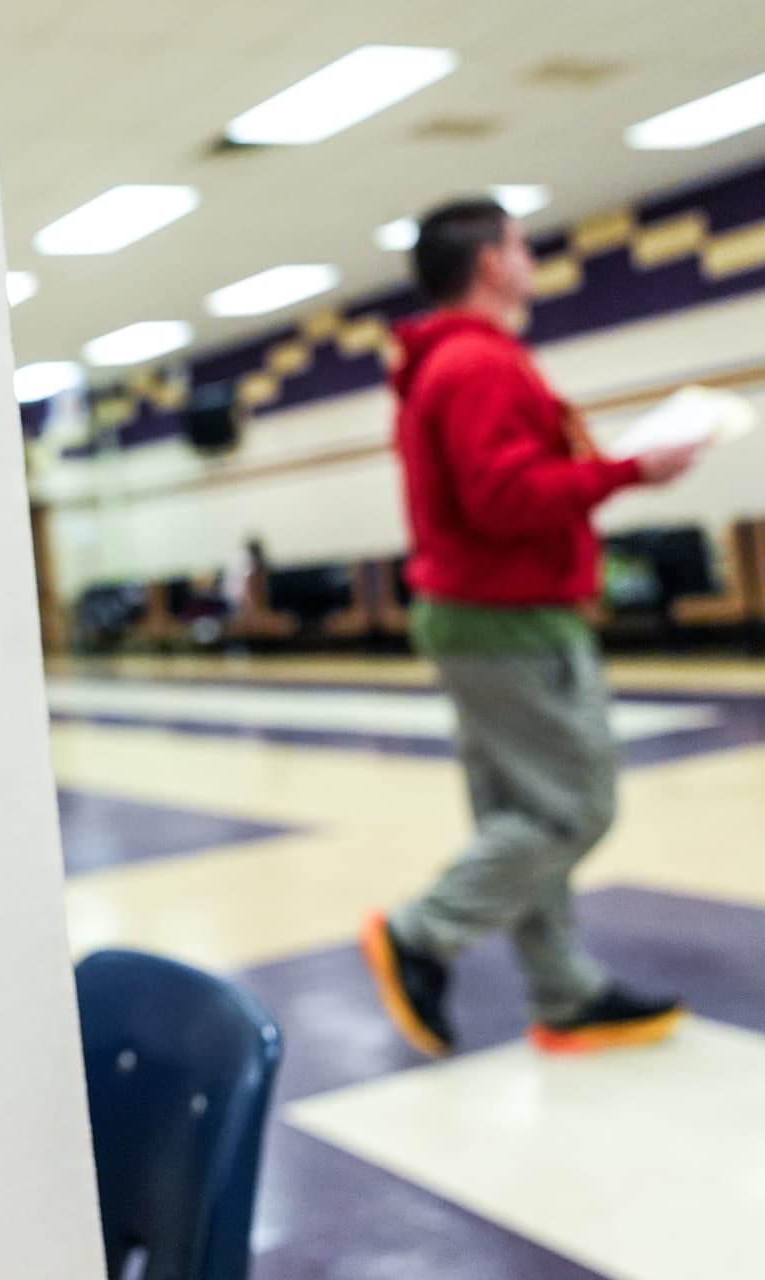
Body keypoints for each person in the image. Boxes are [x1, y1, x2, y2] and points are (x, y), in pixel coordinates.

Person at [361, 197, 702, 1057]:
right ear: (489, 265)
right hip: (509, 617)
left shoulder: (448, 361)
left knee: (521, 810)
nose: (529, 257)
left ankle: (565, 991)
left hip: (478, 614)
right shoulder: (478, 364)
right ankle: (421, 934)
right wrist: (628, 471)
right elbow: (503, 498)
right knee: (572, 809)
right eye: (518, 244)